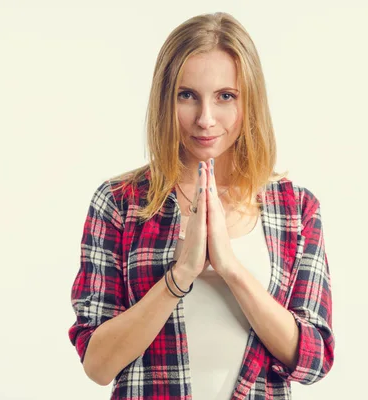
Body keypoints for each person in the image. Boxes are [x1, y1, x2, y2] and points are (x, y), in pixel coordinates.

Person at [68, 11, 334, 400]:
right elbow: (97, 364)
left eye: (226, 96)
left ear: (249, 102)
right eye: (187, 95)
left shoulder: (295, 209)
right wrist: (182, 274)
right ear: (165, 100)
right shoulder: (119, 202)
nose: (205, 119)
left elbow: (313, 359)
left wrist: (230, 268)